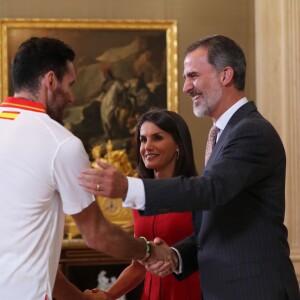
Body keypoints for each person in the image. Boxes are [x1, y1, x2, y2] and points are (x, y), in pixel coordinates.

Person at [79, 35, 300, 300]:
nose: (186, 87)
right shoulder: (224, 134)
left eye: (193, 76)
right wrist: (176, 255)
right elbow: (218, 226)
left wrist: (128, 187)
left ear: (225, 75)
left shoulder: (251, 131)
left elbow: (211, 190)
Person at [0, 36, 170, 300]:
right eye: (70, 85)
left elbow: (37, 258)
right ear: (50, 81)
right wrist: (147, 251)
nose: (72, 96)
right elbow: (97, 235)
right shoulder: (61, 143)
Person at [91, 108, 201, 300]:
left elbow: (210, 252)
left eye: (157, 138)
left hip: (191, 292)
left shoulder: (197, 193)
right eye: (143, 139)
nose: (147, 146)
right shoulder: (138, 198)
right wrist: (108, 295)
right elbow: (138, 266)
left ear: (178, 145)